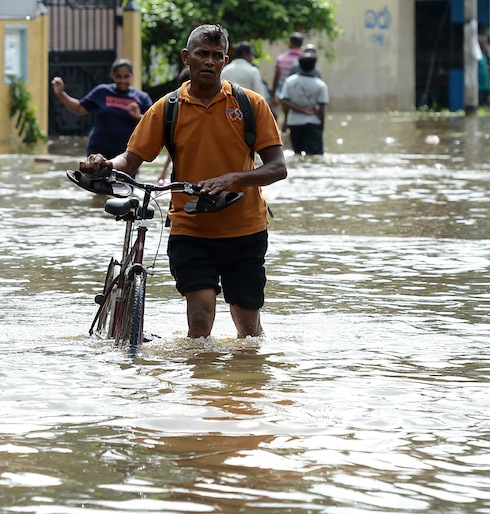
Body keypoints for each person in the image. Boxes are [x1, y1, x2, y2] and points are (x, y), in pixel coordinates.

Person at [79, 24, 288, 339]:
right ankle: (199, 385)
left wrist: (233, 178)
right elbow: (131, 159)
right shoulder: (167, 108)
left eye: (217, 56)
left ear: (225, 61)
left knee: (247, 327)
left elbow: (277, 167)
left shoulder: (250, 104)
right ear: (187, 57)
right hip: (190, 228)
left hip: (245, 228)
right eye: (202, 54)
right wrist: (106, 163)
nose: (209, 62)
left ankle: (246, 381)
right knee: (200, 318)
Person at [51, 59, 153, 158]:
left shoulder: (142, 98)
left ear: (132, 76)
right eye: (118, 76)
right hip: (98, 152)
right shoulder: (102, 91)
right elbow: (79, 108)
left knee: (123, 176)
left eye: (126, 77)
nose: (122, 80)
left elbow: (153, 125)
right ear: (112, 76)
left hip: (127, 155)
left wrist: (138, 116)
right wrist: (61, 94)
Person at [279, 52, 328, 155]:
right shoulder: (321, 85)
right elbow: (322, 109)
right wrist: (322, 127)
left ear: (299, 65)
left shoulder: (290, 81)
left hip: (294, 123)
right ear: (314, 66)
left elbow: (284, 101)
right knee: (315, 156)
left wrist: (286, 120)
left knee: (297, 153)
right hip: (313, 123)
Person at [271, 32, 304, 111]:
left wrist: (273, 96)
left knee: (286, 116)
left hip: (283, 94)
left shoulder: (281, 58)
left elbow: (276, 77)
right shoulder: (304, 59)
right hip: (300, 94)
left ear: (291, 42)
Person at [477, 35, 490, 108]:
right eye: (484, 43)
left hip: (486, 85)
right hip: (479, 86)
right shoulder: (476, 55)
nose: (486, 45)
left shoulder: (484, 54)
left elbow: (485, 65)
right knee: (480, 106)